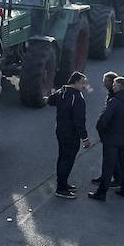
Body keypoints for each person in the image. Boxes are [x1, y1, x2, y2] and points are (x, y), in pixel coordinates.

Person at [91, 76, 124, 201]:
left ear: (120, 87)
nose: (112, 87)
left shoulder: (115, 102)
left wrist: (104, 134)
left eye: (114, 85)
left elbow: (102, 121)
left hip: (111, 139)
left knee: (108, 166)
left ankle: (101, 193)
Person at [48, 71, 90, 199]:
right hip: (71, 134)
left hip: (60, 130)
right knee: (68, 159)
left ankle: (63, 183)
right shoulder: (77, 97)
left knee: (63, 157)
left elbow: (50, 101)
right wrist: (85, 138)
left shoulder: (62, 91)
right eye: (83, 83)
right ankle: (61, 188)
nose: (84, 86)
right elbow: (79, 120)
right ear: (76, 82)